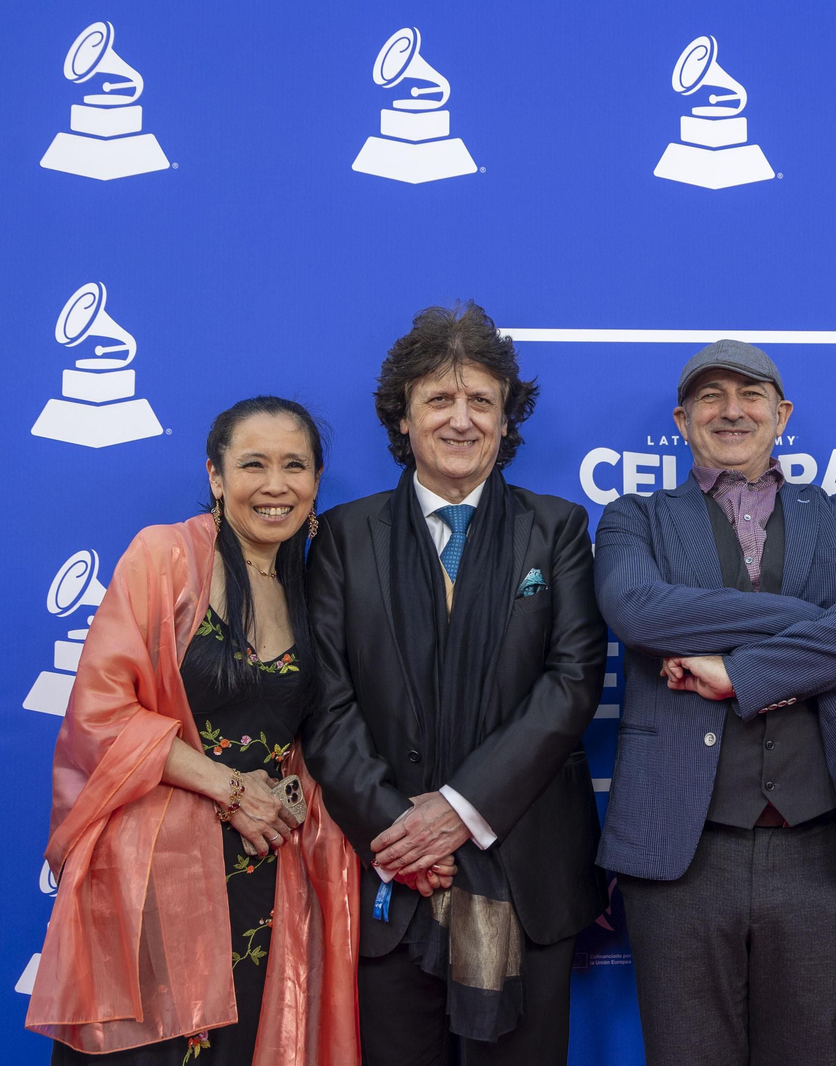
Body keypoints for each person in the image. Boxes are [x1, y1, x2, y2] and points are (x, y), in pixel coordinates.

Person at [593, 339, 836, 1066]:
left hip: (817, 847)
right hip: (680, 852)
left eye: (751, 394)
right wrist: (818, 617)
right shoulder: (632, 518)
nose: (731, 410)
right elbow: (640, 612)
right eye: (711, 396)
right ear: (681, 420)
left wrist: (744, 674)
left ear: (782, 413)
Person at [304, 302, 605, 1066]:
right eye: (439, 399)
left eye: (482, 401)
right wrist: (400, 834)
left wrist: (460, 811)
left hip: (524, 872)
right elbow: (326, 701)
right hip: (391, 873)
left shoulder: (558, 527)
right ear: (401, 419)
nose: (461, 420)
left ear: (507, 422)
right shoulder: (343, 536)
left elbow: (571, 685)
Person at [27, 397, 359, 1065]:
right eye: (253, 464)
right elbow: (101, 711)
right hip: (156, 872)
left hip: (266, 879)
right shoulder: (165, 558)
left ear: (316, 482)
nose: (275, 485)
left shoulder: (318, 581)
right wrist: (232, 788)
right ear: (215, 475)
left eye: (294, 465)